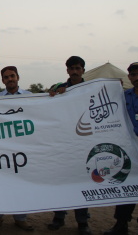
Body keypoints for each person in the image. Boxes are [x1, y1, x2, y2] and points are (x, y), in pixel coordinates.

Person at [48, 56, 91, 235]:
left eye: (77, 68)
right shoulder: (59, 88)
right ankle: (59, 217)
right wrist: (53, 94)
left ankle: (83, 222)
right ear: (67, 70)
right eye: (71, 68)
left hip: (84, 143)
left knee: (81, 183)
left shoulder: (91, 89)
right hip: (63, 144)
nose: (74, 71)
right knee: (62, 183)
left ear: (82, 70)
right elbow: (47, 102)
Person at [0, 66, 34, 231]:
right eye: (6, 77)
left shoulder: (30, 97)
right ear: (2, 80)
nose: (10, 79)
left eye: (12, 76)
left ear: (18, 77)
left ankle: (20, 218)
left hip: (23, 147)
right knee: (0, 184)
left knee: (21, 185)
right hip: (3, 148)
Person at [102, 62, 138, 235]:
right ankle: (121, 225)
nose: (137, 78)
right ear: (129, 77)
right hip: (128, 148)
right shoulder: (124, 96)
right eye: (133, 75)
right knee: (126, 185)